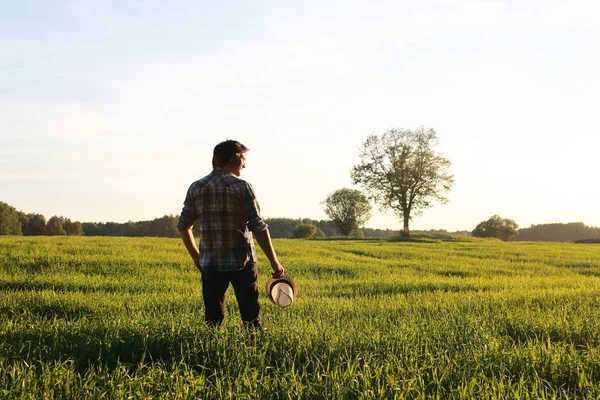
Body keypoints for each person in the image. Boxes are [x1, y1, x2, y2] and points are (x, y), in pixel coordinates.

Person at [177, 140, 285, 329]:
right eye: (243, 159)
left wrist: (196, 257)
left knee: (213, 318)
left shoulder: (197, 187)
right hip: (242, 261)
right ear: (232, 159)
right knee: (251, 315)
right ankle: (254, 351)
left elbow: (183, 226)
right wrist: (274, 262)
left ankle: (211, 352)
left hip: (210, 264)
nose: (245, 164)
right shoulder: (242, 186)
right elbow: (258, 227)